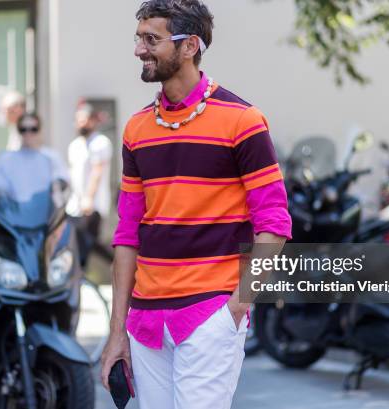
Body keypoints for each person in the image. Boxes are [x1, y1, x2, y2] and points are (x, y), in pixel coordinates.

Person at [100, 1, 291, 408]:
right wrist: (117, 331)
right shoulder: (137, 128)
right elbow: (128, 232)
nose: (139, 49)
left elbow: (273, 222)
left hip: (210, 314)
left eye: (151, 39)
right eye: (138, 38)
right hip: (146, 321)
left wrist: (237, 307)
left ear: (190, 46)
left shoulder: (243, 121)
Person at [0, 112, 69, 220]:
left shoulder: (51, 157)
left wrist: (57, 185)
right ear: (18, 131)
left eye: (33, 129)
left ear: (40, 130)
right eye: (23, 129)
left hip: (44, 218)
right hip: (14, 218)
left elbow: (62, 178)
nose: (28, 133)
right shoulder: (6, 159)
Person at [66, 100, 113, 267]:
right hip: (74, 206)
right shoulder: (74, 146)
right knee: (81, 243)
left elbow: (97, 171)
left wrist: (89, 198)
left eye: (84, 119)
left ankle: (118, 263)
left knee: (86, 242)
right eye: (78, 120)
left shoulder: (100, 143)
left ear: (93, 120)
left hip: (93, 205)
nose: (81, 123)